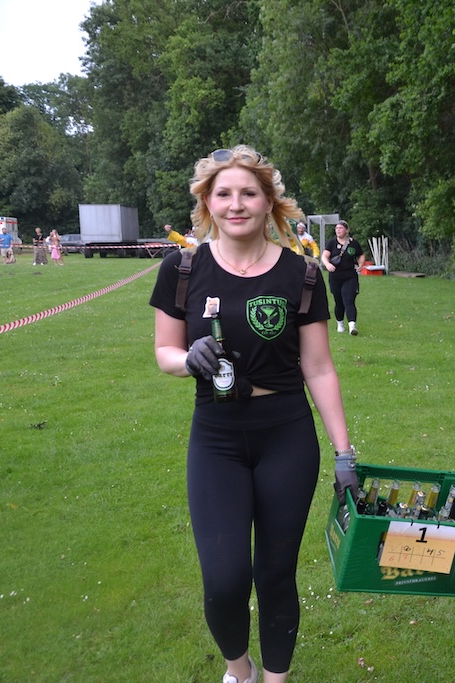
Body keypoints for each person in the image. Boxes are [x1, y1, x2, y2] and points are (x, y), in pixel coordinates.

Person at [149, 145, 357, 683]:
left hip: (286, 434)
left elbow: (319, 368)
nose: (236, 204)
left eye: (248, 193)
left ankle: (275, 679)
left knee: (275, 574)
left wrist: (344, 452)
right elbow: (165, 351)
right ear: (207, 203)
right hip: (216, 436)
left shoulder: (301, 275)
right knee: (224, 580)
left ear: (269, 202)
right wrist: (187, 360)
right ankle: (239, 671)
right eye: (224, 194)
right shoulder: (182, 269)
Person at [321, 220, 365, 335]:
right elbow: (324, 255)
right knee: (339, 301)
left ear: (346, 230)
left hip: (350, 276)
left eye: (340, 228)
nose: (338, 230)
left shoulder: (353, 243)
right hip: (335, 277)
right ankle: (340, 324)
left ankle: (352, 326)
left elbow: (361, 255)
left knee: (349, 300)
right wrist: (327, 264)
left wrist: (361, 264)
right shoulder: (331, 243)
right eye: (337, 228)